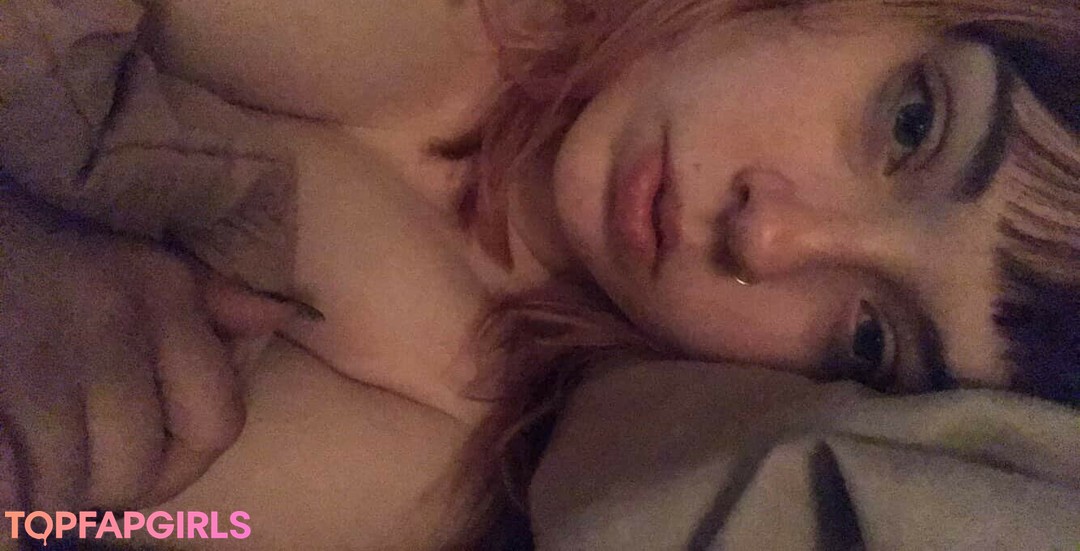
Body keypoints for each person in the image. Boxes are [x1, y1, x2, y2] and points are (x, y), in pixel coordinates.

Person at [1, 0, 1077, 548]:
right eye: (913, 122)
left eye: (870, 337)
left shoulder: (434, 449)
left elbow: (53, 524)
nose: (768, 239)